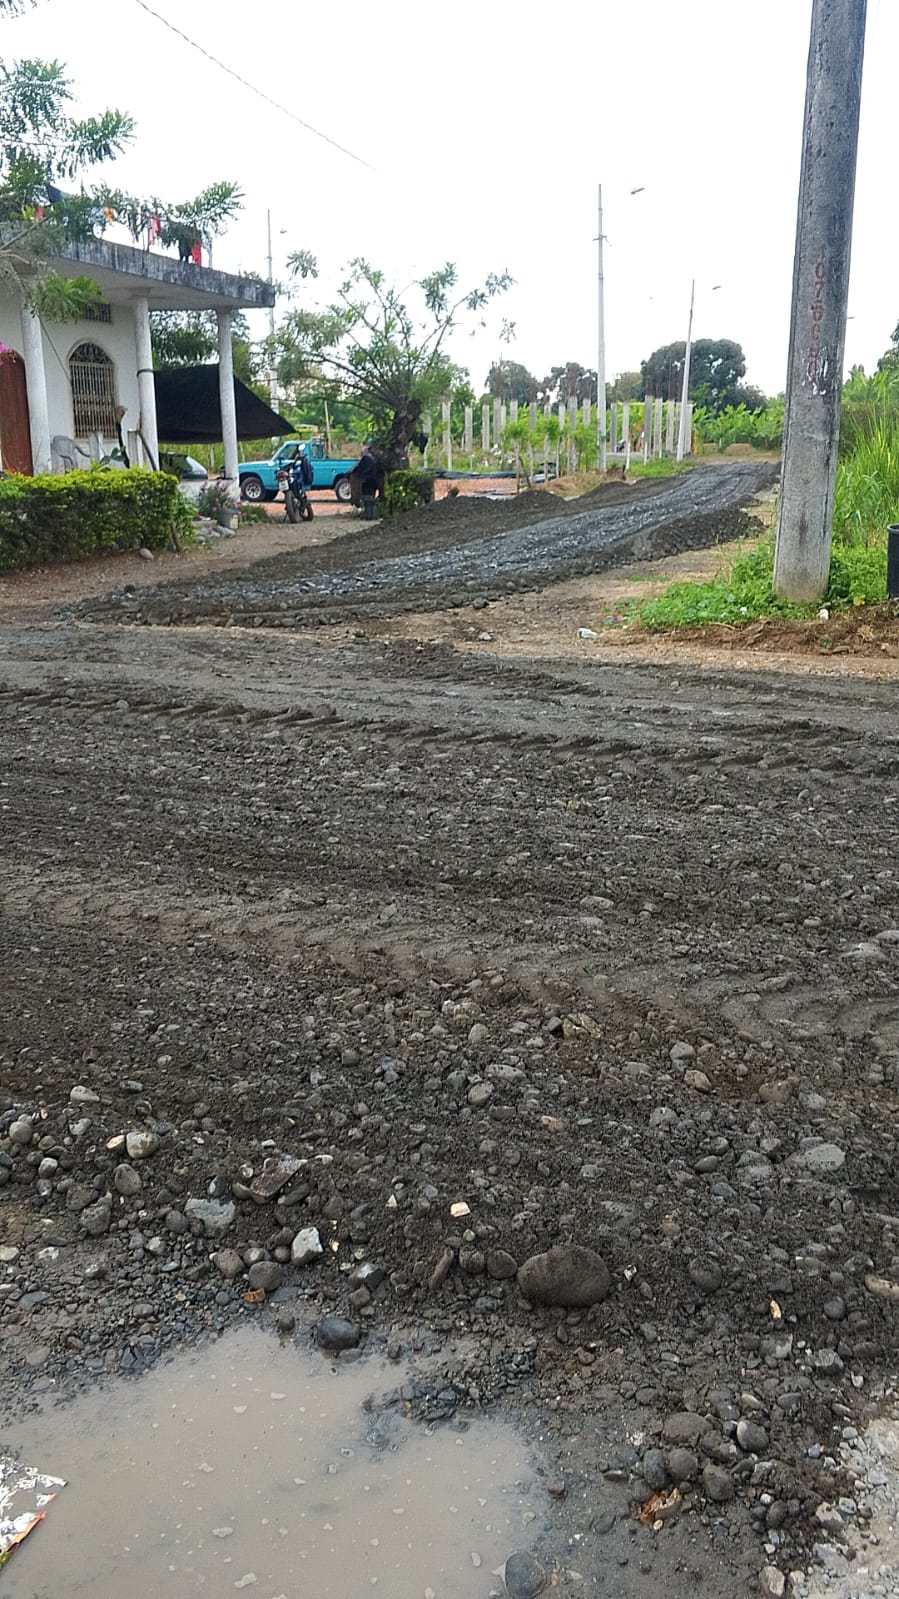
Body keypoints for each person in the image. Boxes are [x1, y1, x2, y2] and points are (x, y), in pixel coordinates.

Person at [355, 445, 379, 521]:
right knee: (372, 499)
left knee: (367, 499)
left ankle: (368, 516)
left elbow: (359, 469)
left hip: (366, 481)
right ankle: (374, 516)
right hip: (373, 481)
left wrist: (359, 475)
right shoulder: (374, 459)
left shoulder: (364, 460)